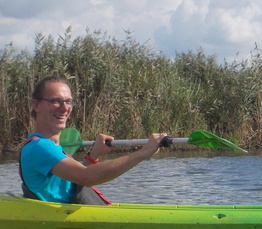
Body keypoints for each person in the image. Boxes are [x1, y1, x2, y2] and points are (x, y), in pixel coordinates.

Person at [19, 76, 167, 204]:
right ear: (36, 105)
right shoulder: (40, 147)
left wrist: (93, 156)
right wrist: (143, 153)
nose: (65, 108)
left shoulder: (49, 147)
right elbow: (86, 177)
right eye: (56, 101)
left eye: (68, 102)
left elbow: (73, 181)